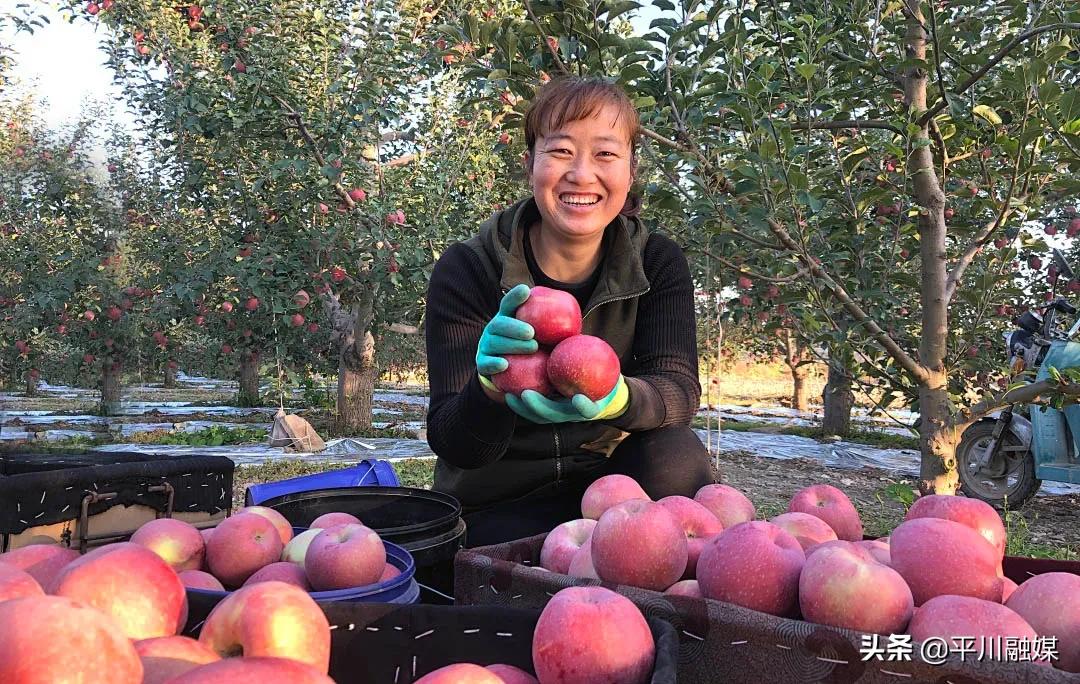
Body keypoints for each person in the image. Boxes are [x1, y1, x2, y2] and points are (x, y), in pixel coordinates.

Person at [424, 75, 714, 547]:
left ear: (631, 169)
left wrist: (620, 398)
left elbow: (678, 388)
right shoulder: (469, 268)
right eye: (560, 151)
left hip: (605, 489)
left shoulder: (657, 262)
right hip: (498, 500)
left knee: (676, 454)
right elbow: (452, 441)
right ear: (529, 164)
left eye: (605, 153)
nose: (582, 174)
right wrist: (488, 389)